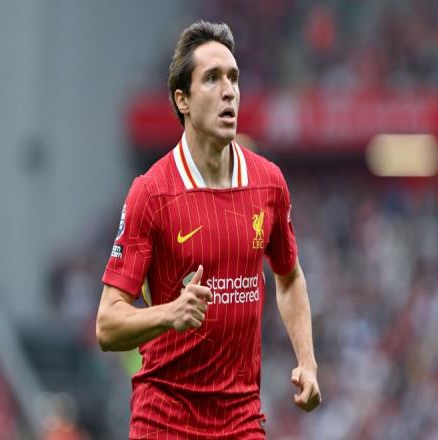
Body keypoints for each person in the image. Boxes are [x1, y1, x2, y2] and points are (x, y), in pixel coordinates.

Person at [96, 21, 321, 439]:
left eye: (234, 78)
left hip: (241, 421)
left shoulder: (268, 183)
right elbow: (107, 325)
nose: (229, 91)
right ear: (182, 99)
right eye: (213, 78)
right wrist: (170, 314)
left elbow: (289, 278)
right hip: (164, 420)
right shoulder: (152, 193)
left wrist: (307, 361)